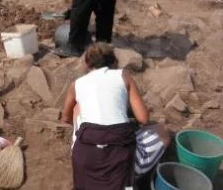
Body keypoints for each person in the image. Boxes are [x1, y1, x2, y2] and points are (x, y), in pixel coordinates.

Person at [61, 43, 169, 190]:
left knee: (77, 108)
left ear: (86, 63)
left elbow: (65, 118)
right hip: (122, 162)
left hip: (84, 160)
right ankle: (140, 180)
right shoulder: (123, 75)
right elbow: (143, 119)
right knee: (162, 132)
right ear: (114, 62)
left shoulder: (77, 84)